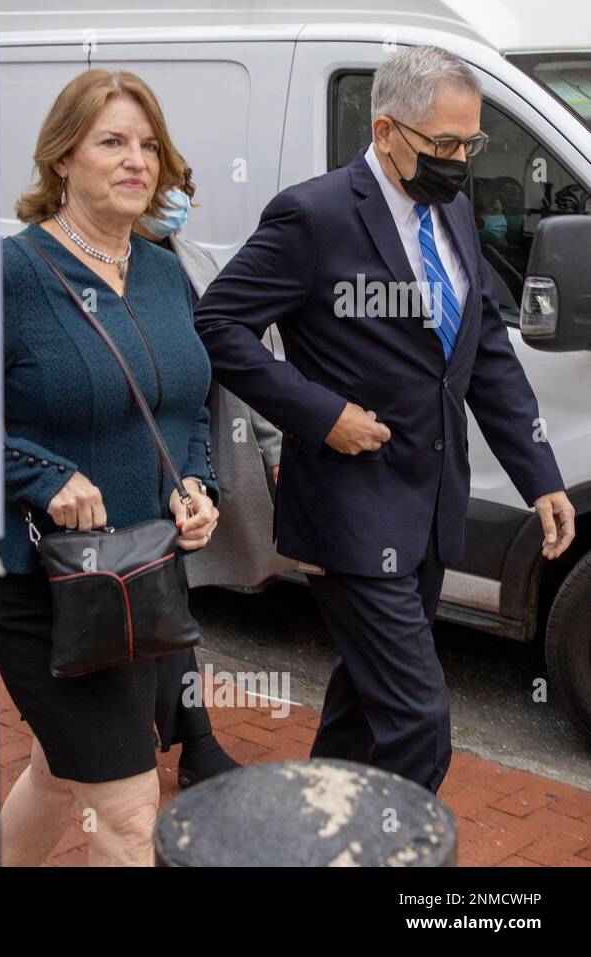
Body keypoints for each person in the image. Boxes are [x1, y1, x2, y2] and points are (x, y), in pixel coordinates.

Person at [193, 45, 576, 794]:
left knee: (364, 706)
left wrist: (540, 476)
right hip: (349, 507)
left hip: (431, 507)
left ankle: (311, 829)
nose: (460, 161)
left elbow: (482, 352)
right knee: (417, 722)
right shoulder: (314, 215)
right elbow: (218, 323)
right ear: (385, 130)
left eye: (472, 144)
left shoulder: (454, 207)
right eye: (443, 145)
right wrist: (321, 412)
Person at [0, 68, 220, 866]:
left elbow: (188, 404)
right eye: (113, 142)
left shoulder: (163, 270)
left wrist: (196, 484)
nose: (137, 160)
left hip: (143, 581)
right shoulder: (14, 275)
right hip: (43, 587)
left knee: (60, 775)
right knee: (129, 813)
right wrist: (39, 473)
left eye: (149, 145)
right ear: (62, 158)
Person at [141, 183, 296, 788]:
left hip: (183, 459)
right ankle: (189, 746)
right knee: (153, 608)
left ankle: (191, 746)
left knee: (163, 605)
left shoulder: (191, 259)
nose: (174, 195)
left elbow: (239, 357)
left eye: (179, 180)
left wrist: (269, 448)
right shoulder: (77, 265)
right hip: (123, 469)